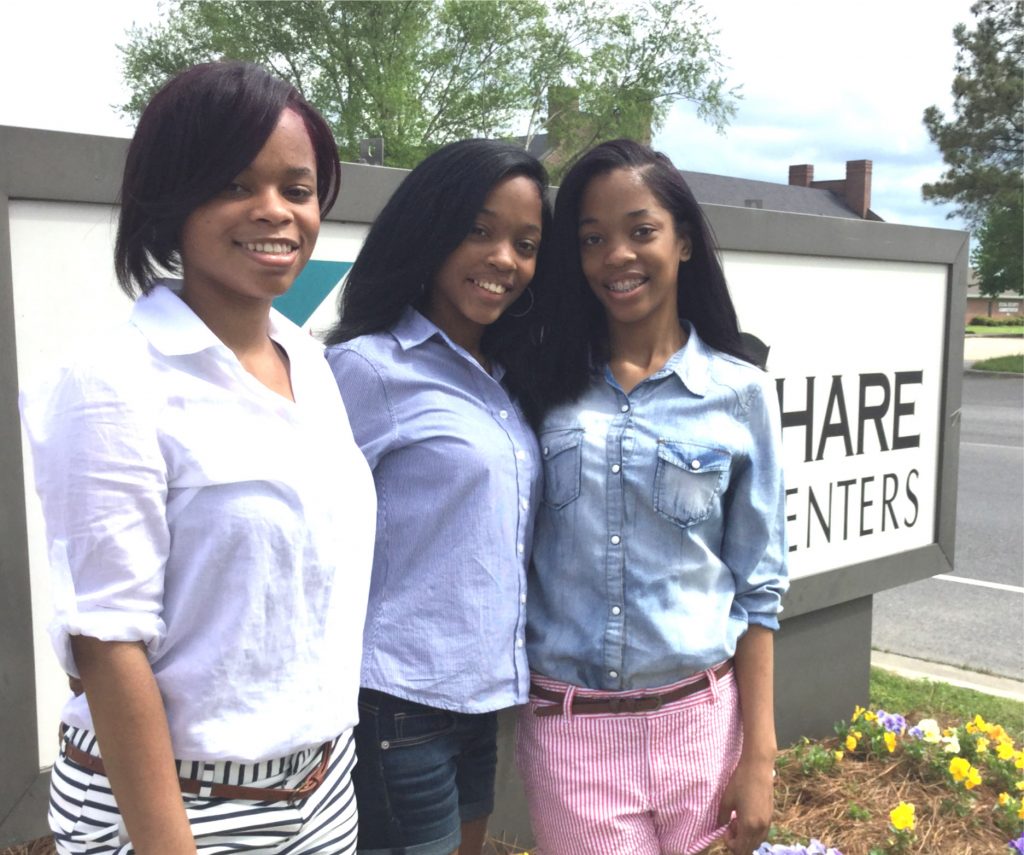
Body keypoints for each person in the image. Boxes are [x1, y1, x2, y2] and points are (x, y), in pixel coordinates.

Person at [20, 61, 375, 854]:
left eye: (298, 188)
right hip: (175, 804)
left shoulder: (308, 362)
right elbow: (107, 644)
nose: (275, 210)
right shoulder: (110, 383)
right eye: (235, 184)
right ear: (172, 199)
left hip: (321, 792)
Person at [514, 139, 789, 855]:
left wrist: (758, 757)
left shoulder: (741, 395)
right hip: (573, 736)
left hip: (703, 729)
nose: (617, 256)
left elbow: (759, 589)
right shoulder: (540, 386)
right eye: (592, 239)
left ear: (684, 241)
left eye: (641, 231)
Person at [323, 139, 550, 855]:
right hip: (397, 703)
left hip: (481, 701)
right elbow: (308, 539)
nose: (504, 259)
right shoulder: (368, 369)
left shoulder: (505, 377)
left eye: (525, 244)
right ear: (432, 228)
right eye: (479, 230)